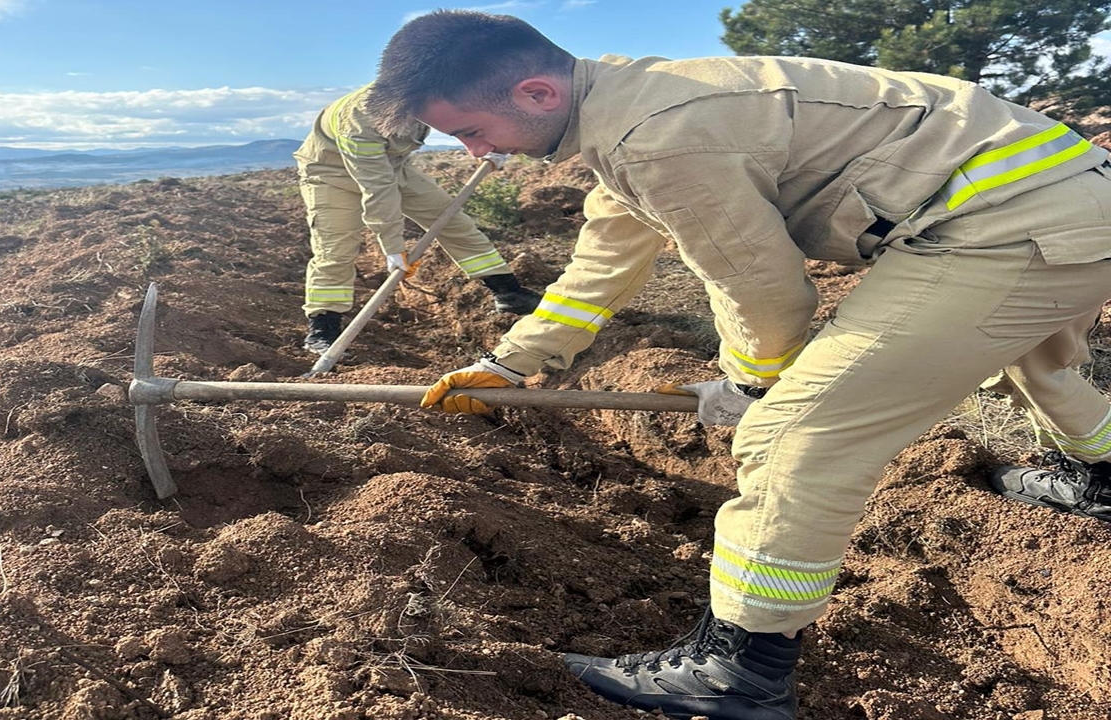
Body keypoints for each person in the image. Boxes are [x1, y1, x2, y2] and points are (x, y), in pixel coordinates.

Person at [368, 10, 1111, 720]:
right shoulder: (628, 107)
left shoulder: (654, 138)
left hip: (1002, 227)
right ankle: (1100, 475)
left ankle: (739, 671)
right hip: (1067, 200)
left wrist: (754, 383)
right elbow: (607, 256)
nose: (475, 154)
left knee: (792, 435)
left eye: (471, 132)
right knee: (1031, 356)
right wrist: (511, 362)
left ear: (537, 94)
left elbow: (762, 288)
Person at [293, 82, 542, 354]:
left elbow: (460, 122)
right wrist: (393, 247)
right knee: (336, 249)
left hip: (393, 165)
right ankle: (323, 328)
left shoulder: (430, 93)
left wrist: (493, 144)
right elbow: (378, 189)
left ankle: (508, 292)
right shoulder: (360, 121)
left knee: (450, 220)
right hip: (331, 175)